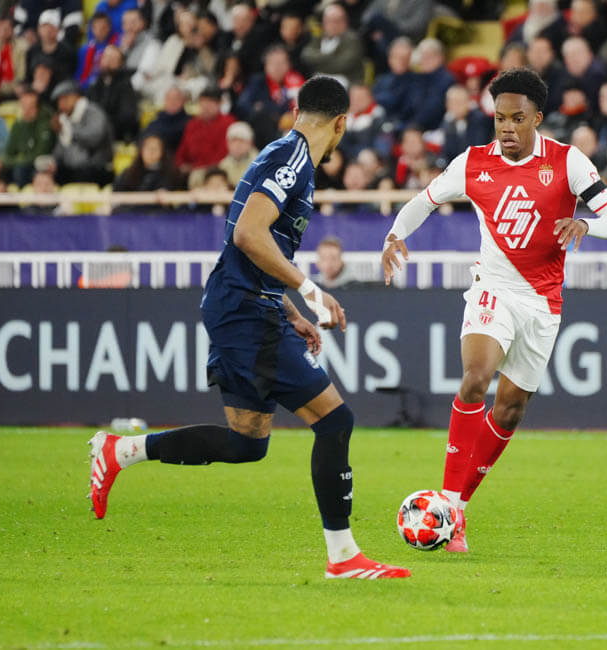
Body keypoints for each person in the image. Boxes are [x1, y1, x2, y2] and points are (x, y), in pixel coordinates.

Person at [88, 75, 411, 581]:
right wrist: (310, 291)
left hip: (244, 302)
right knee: (335, 421)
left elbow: (259, 248)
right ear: (341, 124)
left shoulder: (285, 155)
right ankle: (344, 556)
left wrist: (291, 311)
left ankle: (121, 450)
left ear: (298, 111)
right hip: (243, 309)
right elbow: (247, 234)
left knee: (247, 443)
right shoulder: (294, 160)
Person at [380, 69, 607, 553]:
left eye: (517, 118)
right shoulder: (472, 162)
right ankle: (448, 506)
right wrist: (394, 235)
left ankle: (458, 507)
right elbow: (423, 201)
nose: (507, 128)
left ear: (537, 118)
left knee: (510, 410)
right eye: (500, 118)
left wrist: (585, 224)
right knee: (476, 377)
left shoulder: (567, 161)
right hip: (492, 289)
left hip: (542, 303)